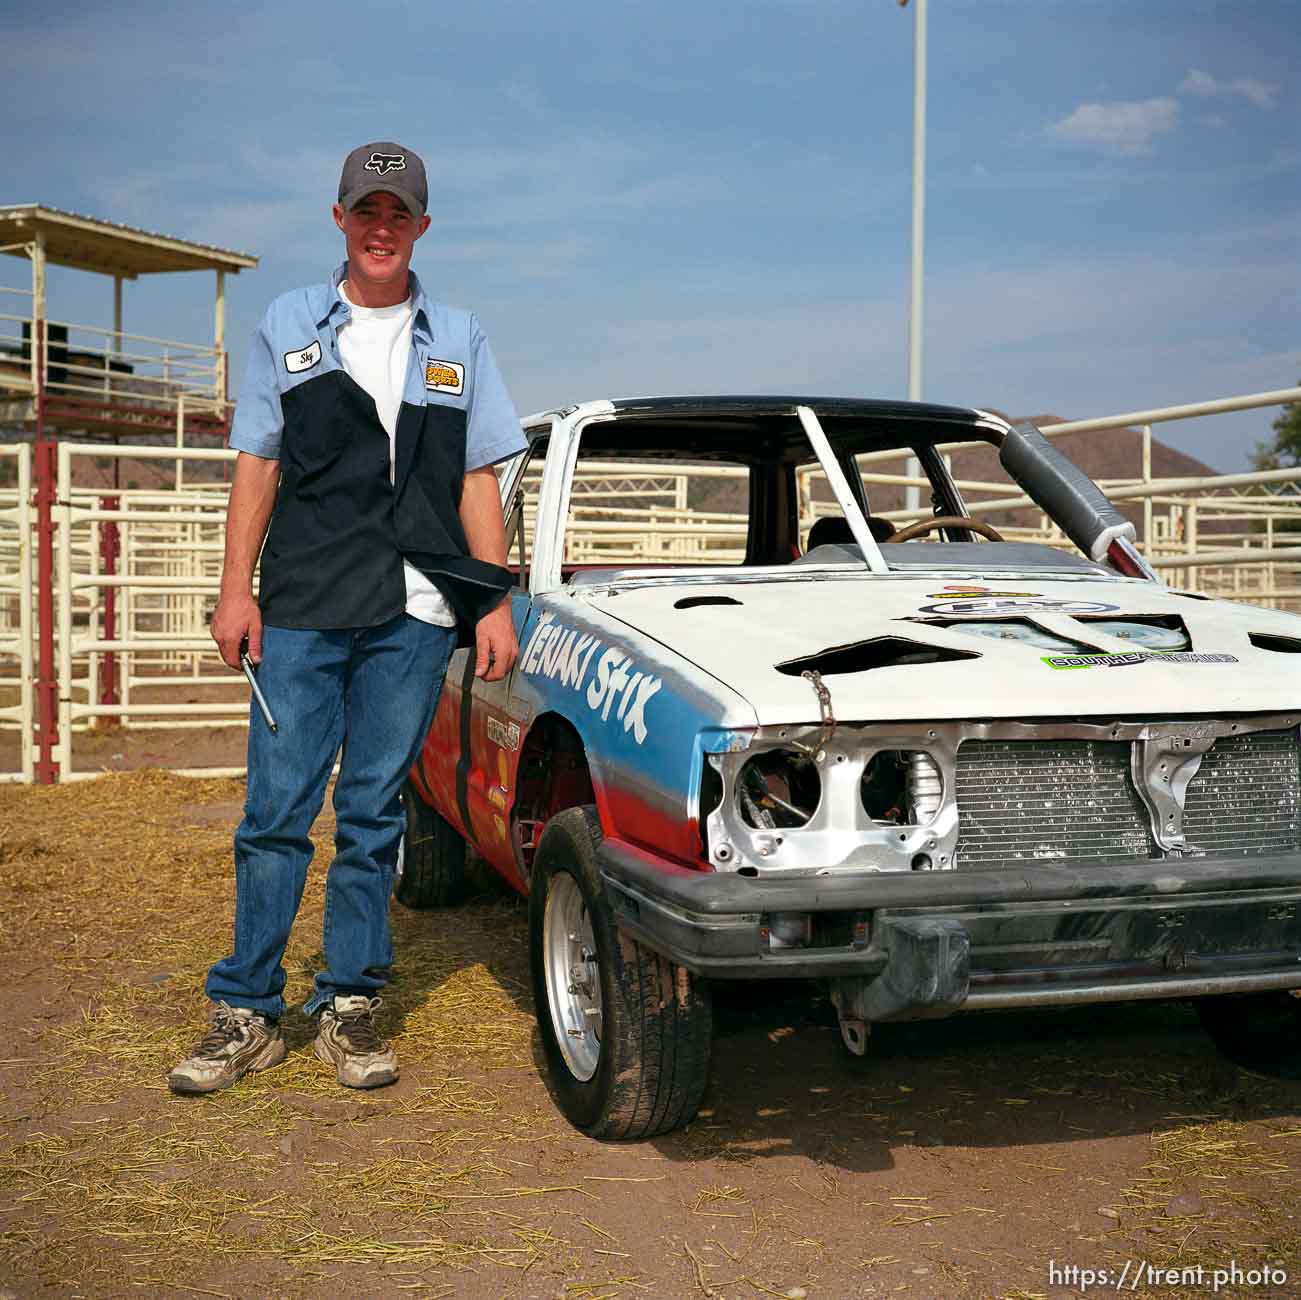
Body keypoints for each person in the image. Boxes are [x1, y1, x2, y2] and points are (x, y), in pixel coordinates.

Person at [169, 141, 526, 1094]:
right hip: (303, 605)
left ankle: (347, 1001)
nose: (380, 227)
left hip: (412, 616)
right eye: (365, 211)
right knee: (276, 812)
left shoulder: (458, 335)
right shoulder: (291, 322)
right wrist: (234, 588)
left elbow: (476, 476)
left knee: (372, 814)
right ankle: (245, 1007)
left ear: (420, 227)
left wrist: (487, 603)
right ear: (339, 219)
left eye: (397, 213)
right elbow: (258, 461)